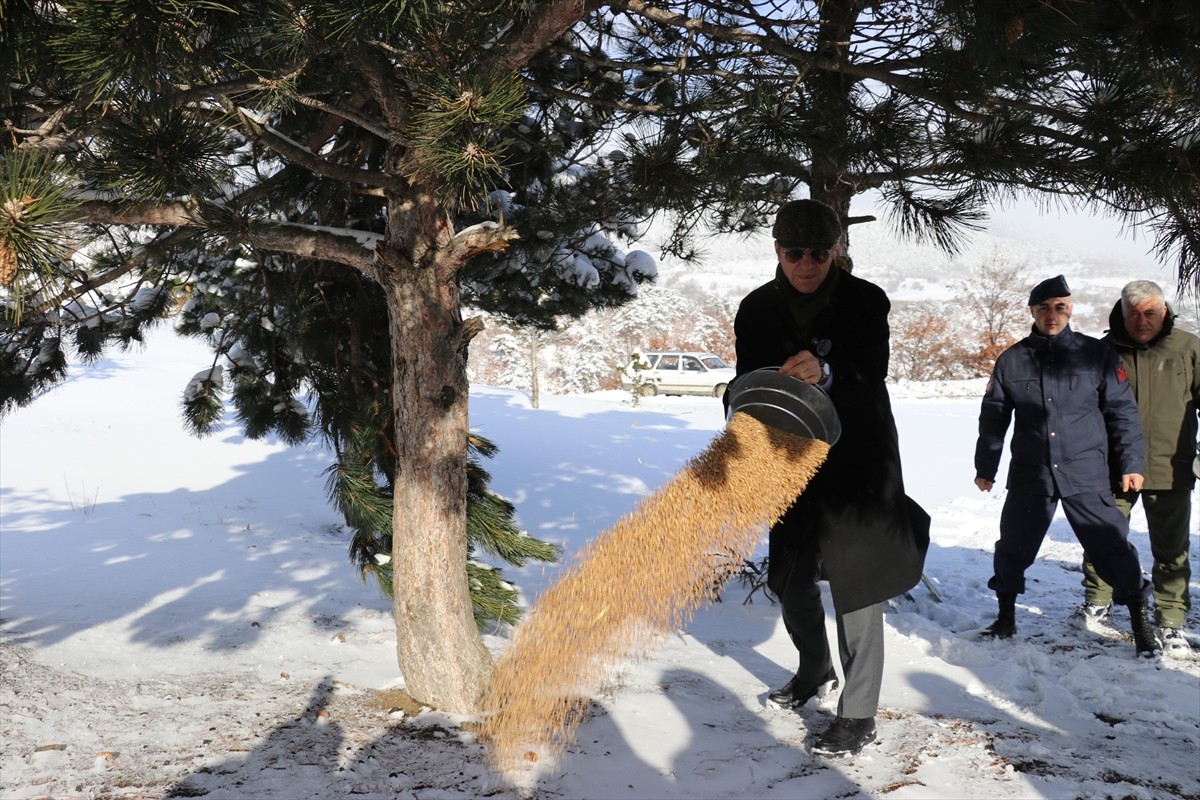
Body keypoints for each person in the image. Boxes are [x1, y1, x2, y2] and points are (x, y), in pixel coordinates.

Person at [728, 198, 930, 757]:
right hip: (790, 464)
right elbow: (748, 383)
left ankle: (858, 712)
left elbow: (872, 373)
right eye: (795, 252)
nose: (807, 263)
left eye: (820, 252)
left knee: (857, 588)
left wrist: (830, 372)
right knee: (790, 580)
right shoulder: (756, 309)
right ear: (777, 250)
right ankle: (814, 669)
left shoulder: (865, 301)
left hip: (859, 465)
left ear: (836, 251)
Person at [973, 274, 1157, 656]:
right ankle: (1005, 617)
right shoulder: (1012, 359)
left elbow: (1122, 412)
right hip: (1031, 471)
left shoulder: (1098, 356)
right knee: (1013, 547)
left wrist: (1131, 463)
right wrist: (985, 467)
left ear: (1070, 309)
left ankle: (1141, 625)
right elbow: (993, 417)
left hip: (1086, 469)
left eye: (1059, 307)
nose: (1051, 315)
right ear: (1032, 312)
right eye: (1043, 308)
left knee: (1111, 547)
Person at [1072, 280, 1198, 655]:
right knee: (1103, 541)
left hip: (1170, 467)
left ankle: (1170, 621)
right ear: (1121, 313)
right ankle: (1097, 603)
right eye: (1133, 314)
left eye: (1150, 313)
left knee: (1172, 550)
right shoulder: (1101, 352)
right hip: (1111, 469)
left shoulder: (1189, 349)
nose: (1141, 321)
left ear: (1165, 312)